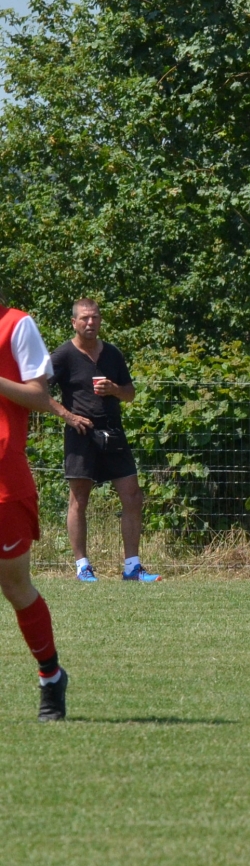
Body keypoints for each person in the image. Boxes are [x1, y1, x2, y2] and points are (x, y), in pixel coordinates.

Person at [49, 298, 155, 583]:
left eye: (94, 317)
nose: (90, 323)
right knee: (79, 499)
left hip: (113, 432)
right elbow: (37, 390)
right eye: (84, 318)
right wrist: (68, 416)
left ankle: (132, 567)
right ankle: (82, 566)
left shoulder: (112, 354)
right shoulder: (63, 355)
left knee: (133, 496)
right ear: (73, 322)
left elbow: (130, 394)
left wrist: (114, 389)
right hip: (81, 435)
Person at [0, 290, 68, 721]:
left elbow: (40, 397)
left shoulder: (17, 324)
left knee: (15, 586)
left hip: (5, 480)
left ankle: (51, 676)